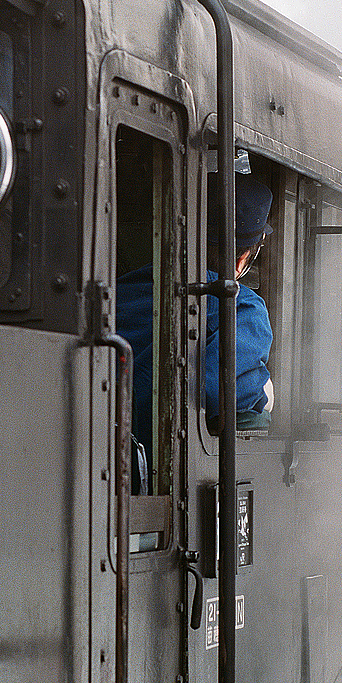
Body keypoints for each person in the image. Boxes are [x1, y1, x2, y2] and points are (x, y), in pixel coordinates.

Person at [117, 172, 275, 476]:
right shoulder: (244, 306)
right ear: (246, 256)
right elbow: (224, 394)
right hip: (153, 471)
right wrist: (264, 394)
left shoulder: (126, 285)